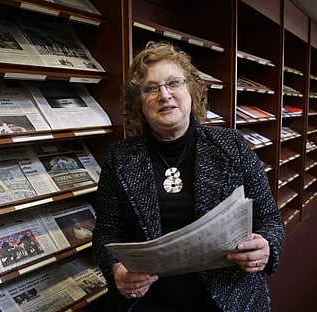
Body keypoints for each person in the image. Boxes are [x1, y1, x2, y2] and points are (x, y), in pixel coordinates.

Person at [92, 41, 286, 312]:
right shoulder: (120, 158)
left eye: (173, 83)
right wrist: (116, 270)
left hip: (228, 297)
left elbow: (270, 220)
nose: (164, 94)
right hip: (151, 300)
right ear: (139, 102)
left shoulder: (232, 145)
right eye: (151, 88)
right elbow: (106, 234)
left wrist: (265, 245)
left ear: (191, 91)